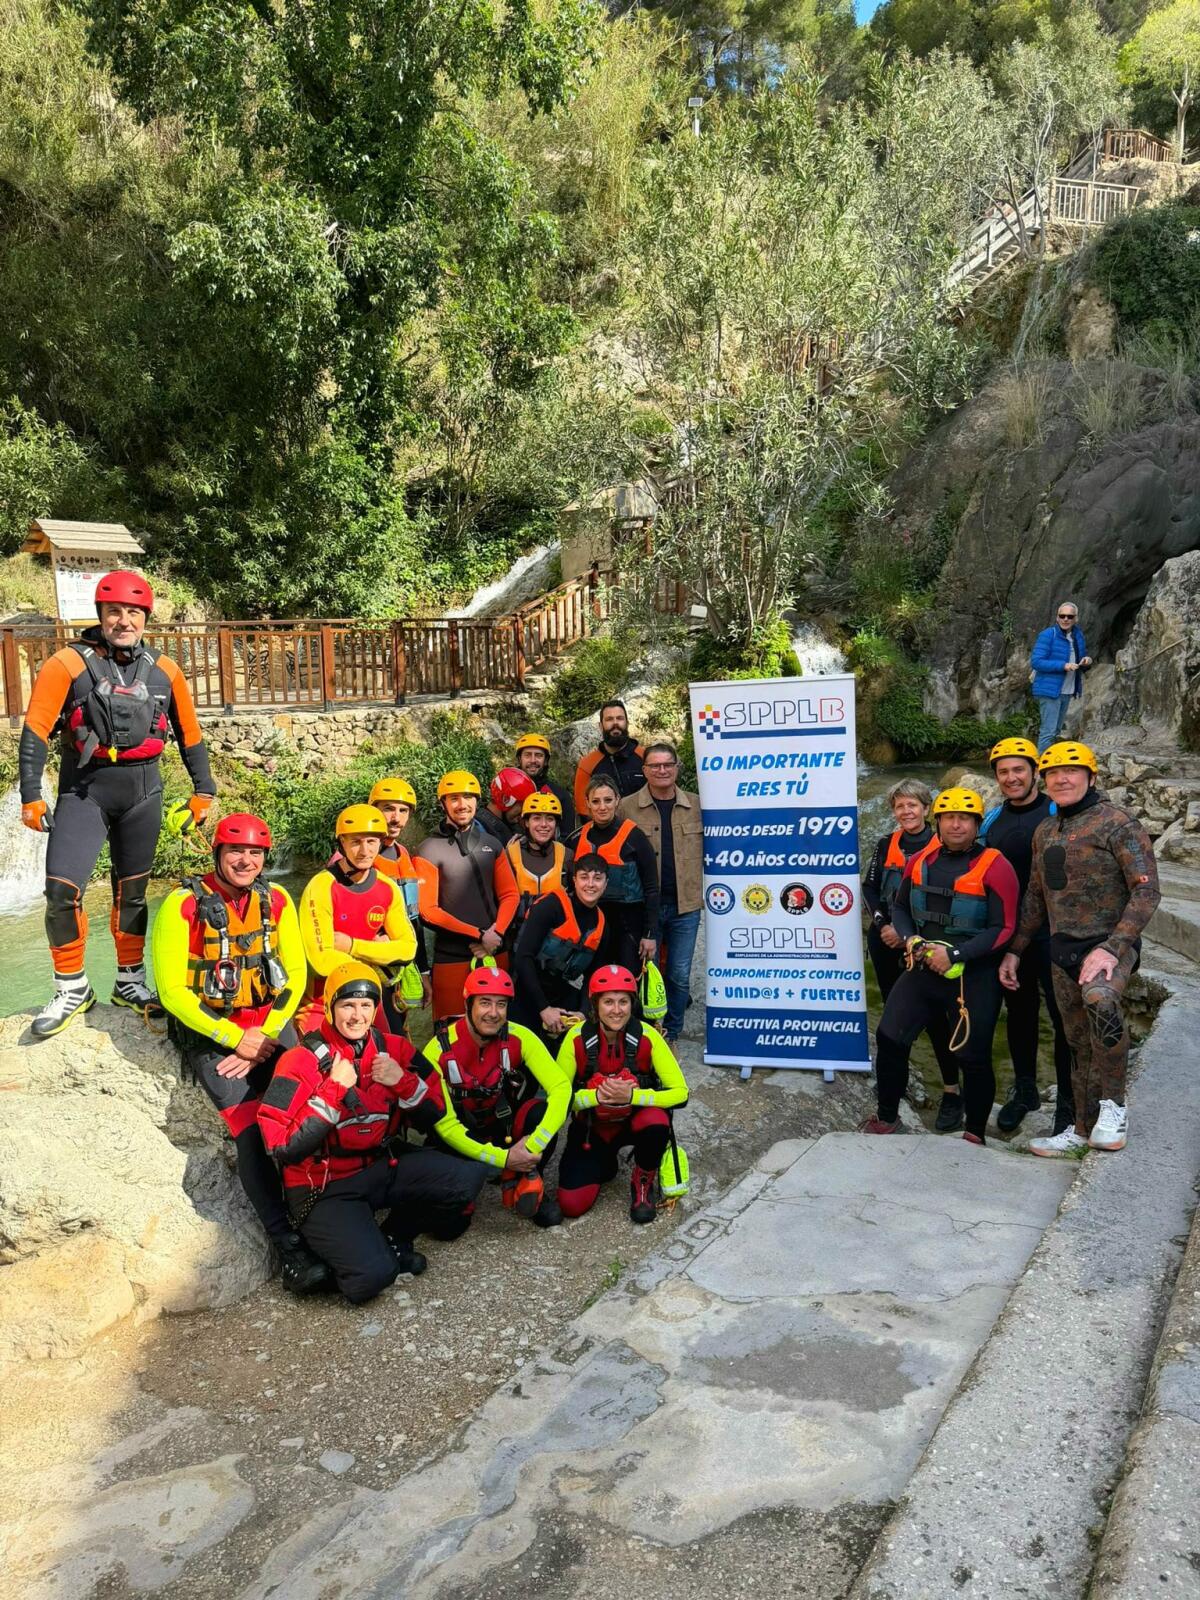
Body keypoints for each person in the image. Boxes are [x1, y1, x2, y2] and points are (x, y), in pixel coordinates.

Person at [18, 570, 216, 1037]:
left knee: (132, 894)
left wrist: (203, 790)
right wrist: (31, 794)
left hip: (144, 795)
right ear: (100, 615)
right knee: (61, 893)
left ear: (145, 618)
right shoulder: (66, 664)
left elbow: (191, 734)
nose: (123, 620)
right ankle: (71, 986)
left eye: (133, 612)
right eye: (114, 612)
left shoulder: (165, 670)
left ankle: (129, 981)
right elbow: (36, 731)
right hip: (83, 792)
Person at [153, 812, 328, 1295]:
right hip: (213, 1033)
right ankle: (287, 1244)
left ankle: (326, 1210)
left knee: (310, 1102)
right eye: (236, 851)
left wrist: (264, 1037)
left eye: (254, 853)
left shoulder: (277, 899)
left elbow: (293, 975)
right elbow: (171, 991)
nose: (245, 861)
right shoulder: (182, 905)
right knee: (250, 1130)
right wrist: (236, 1040)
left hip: (267, 1026)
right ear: (217, 854)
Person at [259, 962, 487, 1302]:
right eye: (347, 1005)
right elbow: (280, 1146)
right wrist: (334, 1089)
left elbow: (435, 1112)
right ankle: (320, 1265)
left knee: (468, 1179)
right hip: (325, 1187)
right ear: (331, 1007)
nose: (357, 1015)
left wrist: (403, 1082)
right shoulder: (298, 1060)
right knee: (372, 1279)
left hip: (381, 1167)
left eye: (366, 1005)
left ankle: (392, 1237)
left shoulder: (395, 1049)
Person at [1001, 742, 1161, 1157]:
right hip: (1062, 949)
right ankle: (1081, 1126)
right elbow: (1036, 897)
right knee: (1076, 1041)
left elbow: (1146, 892)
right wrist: (1016, 950)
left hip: (1109, 945)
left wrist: (1113, 947)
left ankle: (1115, 1109)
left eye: (1071, 771)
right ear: (1045, 781)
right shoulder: (1045, 831)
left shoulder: (1118, 823)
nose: (1061, 779)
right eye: (1053, 773)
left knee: (1101, 1004)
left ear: (1091, 777)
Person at [862, 788, 1019, 1146]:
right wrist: (910, 939)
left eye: (965, 818)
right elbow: (900, 907)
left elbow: (1005, 927)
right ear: (938, 822)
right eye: (949, 817)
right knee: (889, 1036)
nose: (956, 824)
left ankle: (975, 1133)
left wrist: (958, 955)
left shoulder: (996, 865)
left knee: (972, 1054)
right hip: (922, 966)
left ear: (977, 823)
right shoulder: (921, 861)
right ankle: (887, 1118)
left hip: (972, 974)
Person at [420, 965, 569, 1229]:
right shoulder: (437, 1050)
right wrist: (504, 1159)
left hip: (504, 1129)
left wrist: (532, 1145)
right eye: (485, 1003)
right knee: (447, 1228)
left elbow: (561, 1088)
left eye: (501, 1005)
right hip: (459, 1137)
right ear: (468, 1004)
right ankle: (490, 1175)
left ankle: (525, 1179)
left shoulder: (520, 1037)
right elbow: (446, 1126)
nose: (493, 1013)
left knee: (539, 1110)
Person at [980, 738, 1074, 1135]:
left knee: (1063, 1018)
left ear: (1035, 772)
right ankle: (1025, 1090)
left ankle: (1068, 1105)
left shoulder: (1058, 812)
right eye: (1003, 771)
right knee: (1019, 1016)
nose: (1011, 777)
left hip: (1056, 935)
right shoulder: (992, 821)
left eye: (1018, 769)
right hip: (1012, 937)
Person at [862, 778, 963, 1130]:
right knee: (894, 1018)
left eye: (912, 805)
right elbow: (870, 888)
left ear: (926, 808)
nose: (906, 811)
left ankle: (952, 1092)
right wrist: (882, 923)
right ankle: (896, 1088)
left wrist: (908, 936)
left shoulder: (943, 845)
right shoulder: (886, 844)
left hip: (927, 947)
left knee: (938, 1021)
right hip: (886, 939)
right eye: (899, 806)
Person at [554, 965, 689, 1224]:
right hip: (591, 1129)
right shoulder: (575, 1038)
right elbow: (557, 1097)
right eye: (608, 1002)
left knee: (657, 1121)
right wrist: (596, 1097)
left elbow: (681, 1093)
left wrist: (632, 1097)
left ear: (632, 1004)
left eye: (623, 1002)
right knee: (571, 1205)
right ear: (595, 1004)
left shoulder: (648, 1035)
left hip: (633, 1123)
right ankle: (605, 1162)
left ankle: (643, 1179)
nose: (617, 1010)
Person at [299, 804, 418, 1029]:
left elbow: (408, 949)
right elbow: (322, 961)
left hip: (371, 998)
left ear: (381, 842)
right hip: (324, 999)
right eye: (355, 842)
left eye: (371, 842)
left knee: (396, 1057)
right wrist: (379, 955)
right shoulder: (321, 886)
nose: (364, 851)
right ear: (341, 844)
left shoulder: (387, 887)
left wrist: (351, 945)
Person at [414, 770, 519, 1021]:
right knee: (449, 1033)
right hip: (453, 958)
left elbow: (510, 894)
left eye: (468, 798)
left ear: (477, 801)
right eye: (454, 799)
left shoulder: (491, 844)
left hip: (495, 951)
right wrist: (480, 935)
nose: (462, 805)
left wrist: (497, 934)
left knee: (500, 1027)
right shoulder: (429, 849)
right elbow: (428, 911)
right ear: (443, 804)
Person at [619, 742, 703, 1045]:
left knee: (679, 974)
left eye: (668, 764)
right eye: (654, 766)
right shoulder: (626, 807)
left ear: (677, 768)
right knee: (646, 973)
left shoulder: (697, 804)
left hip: (686, 905)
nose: (662, 770)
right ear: (644, 771)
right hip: (646, 907)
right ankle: (650, 1030)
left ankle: (674, 1029)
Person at [511, 852, 609, 1046]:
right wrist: (544, 1009)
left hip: (560, 992)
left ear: (606, 883)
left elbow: (594, 977)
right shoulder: (550, 906)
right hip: (525, 991)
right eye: (584, 877)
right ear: (574, 880)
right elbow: (523, 957)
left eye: (597, 879)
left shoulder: (602, 924)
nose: (590, 884)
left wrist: (582, 1012)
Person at [570, 776, 659, 973]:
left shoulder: (635, 837)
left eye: (608, 800)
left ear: (617, 800)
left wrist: (650, 933)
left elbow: (652, 888)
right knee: (594, 981)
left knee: (628, 982)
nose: (602, 807)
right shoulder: (576, 839)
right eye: (596, 801)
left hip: (629, 928)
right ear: (587, 804)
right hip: (592, 928)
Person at [363, 776, 432, 1014]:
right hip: (370, 965)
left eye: (403, 811)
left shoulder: (402, 854)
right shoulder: (357, 857)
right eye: (388, 809)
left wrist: (424, 972)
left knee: (400, 1036)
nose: (396, 818)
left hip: (400, 964)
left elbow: (414, 920)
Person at [504, 791, 572, 934]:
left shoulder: (567, 855)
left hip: (555, 940)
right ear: (526, 822)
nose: (544, 825)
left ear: (556, 824)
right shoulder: (510, 854)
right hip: (519, 937)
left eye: (550, 819)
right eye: (536, 818)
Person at [1032, 600, 1092, 753]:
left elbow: (1081, 656)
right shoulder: (1047, 635)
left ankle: (1050, 765)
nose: (1066, 619)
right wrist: (1063, 665)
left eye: (1070, 617)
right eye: (1062, 616)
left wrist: (1087, 660)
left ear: (1076, 619)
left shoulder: (1078, 635)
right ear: (1057, 618)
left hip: (1068, 689)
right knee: (1048, 732)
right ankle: (1041, 768)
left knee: (1056, 731)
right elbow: (1036, 662)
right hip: (1049, 689)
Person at [572, 700, 646, 823]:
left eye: (620, 718)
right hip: (605, 835)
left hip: (644, 831)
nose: (615, 723)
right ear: (600, 726)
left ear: (627, 723)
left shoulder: (645, 758)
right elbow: (583, 811)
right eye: (609, 719)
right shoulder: (587, 764)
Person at [513, 732, 572, 819]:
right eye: (527, 755)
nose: (533, 760)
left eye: (538, 755)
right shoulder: (508, 790)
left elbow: (567, 832)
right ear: (519, 759)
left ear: (545, 761)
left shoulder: (561, 796)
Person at [480, 767, 536, 844]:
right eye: (522, 805)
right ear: (506, 800)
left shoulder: (506, 826)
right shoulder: (480, 830)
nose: (523, 813)